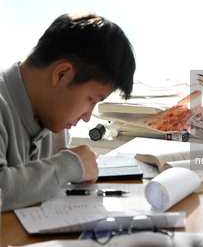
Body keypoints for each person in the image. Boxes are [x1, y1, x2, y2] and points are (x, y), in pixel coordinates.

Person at [0, 12, 135, 212]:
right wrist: (67, 166)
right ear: (62, 74)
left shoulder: (55, 124)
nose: (87, 116)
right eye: (91, 100)